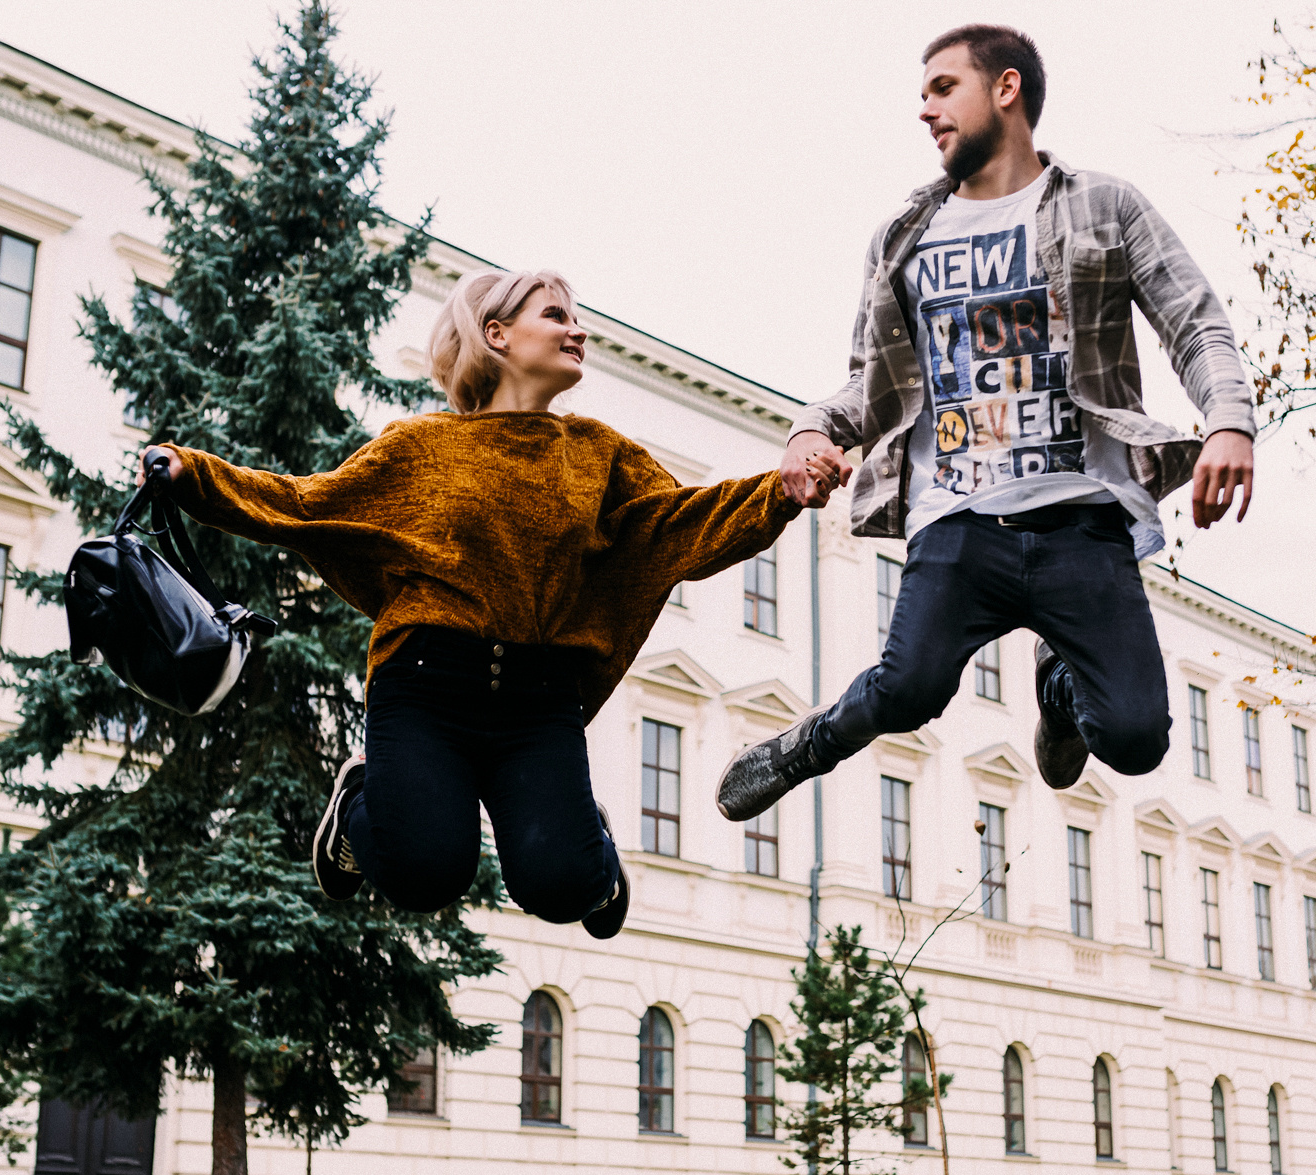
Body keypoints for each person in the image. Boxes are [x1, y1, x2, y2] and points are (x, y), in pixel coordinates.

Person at [144, 270, 801, 938]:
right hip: (427, 685)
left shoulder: (598, 454)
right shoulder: (421, 448)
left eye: (576, 319)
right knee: (425, 872)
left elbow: (682, 524)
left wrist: (781, 491)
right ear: (497, 334)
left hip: (537, 704)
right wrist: (192, 474)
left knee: (564, 885)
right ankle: (357, 805)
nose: (578, 330)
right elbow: (308, 504)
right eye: (556, 315)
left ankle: (585, 841)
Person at [718, 24, 1256, 823]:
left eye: (943, 88)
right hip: (959, 524)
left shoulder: (1104, 205)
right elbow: (873, 383)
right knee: (909, 689)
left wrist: (1228, 423)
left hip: (1082, 519)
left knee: (1137, 738)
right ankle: (804, 747)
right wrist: (811, 430)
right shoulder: (902, 240)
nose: (927, 111)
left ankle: (1059, 683)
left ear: (1006, 89)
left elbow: (1196, 321)